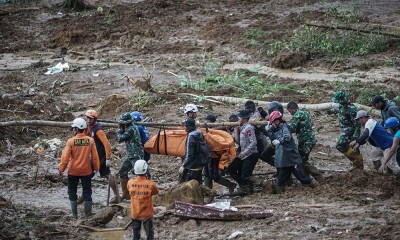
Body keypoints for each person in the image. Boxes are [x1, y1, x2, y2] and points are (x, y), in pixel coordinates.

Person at [266, 111, 318, 194]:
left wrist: (279, 141)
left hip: (292, 158)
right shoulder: (276, 129)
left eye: (273, 123)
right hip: (285, 160)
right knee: (281, 179)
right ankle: (279, 194)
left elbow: (287, 137)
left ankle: (317, 187)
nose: (272, 125)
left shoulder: (284, 127)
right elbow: (272, 136)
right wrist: (269, 130)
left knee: (303, 178)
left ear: (277, 121)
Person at [59, 118, 100, 218]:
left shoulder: (71, 141)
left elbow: (65, 157)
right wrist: (97, 169)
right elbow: (95, 157)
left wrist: (61, 169)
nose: (73, 130)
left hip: (73, 171)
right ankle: (88, 214)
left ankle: (74, 215)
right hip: (86, 171)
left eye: (73, 128)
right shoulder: (90, 141)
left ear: (77, 129)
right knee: (87, 191)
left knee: (72, 191)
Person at [80, 109, 121, 204]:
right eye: (87, 118)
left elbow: (107, 144)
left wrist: (108, 158)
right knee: (107, 175)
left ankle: (84, 196)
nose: (88, 120)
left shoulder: (98, 130)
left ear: (95, 119)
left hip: (98, 156)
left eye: (90, 118)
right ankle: (117, 195)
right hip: (96, 155)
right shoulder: (89, 127)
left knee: (85, 175)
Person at [350, 110, 400, 175]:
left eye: (358, 120)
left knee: (391, 164)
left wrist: (356, 141)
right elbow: (366, 137)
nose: (358, 122)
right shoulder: (369, 124)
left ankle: (396, 175)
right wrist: (358, 144)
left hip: (389, 145)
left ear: (363, 118)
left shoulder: (369, 122)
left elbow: (365, 134)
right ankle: (381, 172)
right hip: (381, 146)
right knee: (374, 155)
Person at [287, 102, 323, 181]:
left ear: (293, 109)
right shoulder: (305, 112)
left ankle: (317, 176)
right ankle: (307, 177)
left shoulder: (297, 115)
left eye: (290, 111)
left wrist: (284, 127)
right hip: (310, 138)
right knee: (303, 159)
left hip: (305, 140)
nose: (290, 113)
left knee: (300, 160)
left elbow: (292, 128)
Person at [228, 109, 259, 194]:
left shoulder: (249, 128)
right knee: (231, 169)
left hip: (250, 154)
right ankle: (243, 185)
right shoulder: (242, 127)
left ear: (244, 118)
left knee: (245, 175)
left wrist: (245, 152)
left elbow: (253, 142)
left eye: (240, 117)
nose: (239, 119)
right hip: (243, 154)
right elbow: (239, 141)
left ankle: (249, 189)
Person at [330, 90, 363, 169]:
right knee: (354, 148)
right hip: (344, 129)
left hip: (349, 131)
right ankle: (360, 166)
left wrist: (355, 136)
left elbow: (357, 124)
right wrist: (330, 111)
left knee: (340, 145)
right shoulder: (343, 105)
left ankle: (356, 162)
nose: (338, 103)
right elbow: (340, 110)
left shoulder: (352, 109)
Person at [128, 160, 159, 240]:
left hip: (135, 214)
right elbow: (156, 192)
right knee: (150, 236)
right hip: (147, 214)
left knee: (135, 236)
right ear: (146, 170)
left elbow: (129, 190)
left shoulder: (130, 182)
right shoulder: (150, 184)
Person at [116, 112, 144, 200]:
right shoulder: (129, 127)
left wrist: (118, 131)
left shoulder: (132, 128)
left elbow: (120, 138)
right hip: (130, 155)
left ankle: (144, 194)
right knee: (122, 172)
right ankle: (126, 194)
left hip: (136, 155)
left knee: (140, 173)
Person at [180, 117, 206, 184]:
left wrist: (183, 165)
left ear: (188, 127)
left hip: (193, 166)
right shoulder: (199, 133)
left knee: (191, 186)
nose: (184, 127)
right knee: (198, 183)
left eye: (185, 126)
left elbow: (190, 154)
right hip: (199, 163)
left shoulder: (191, 136)